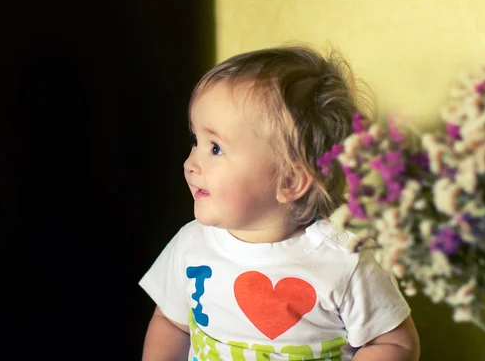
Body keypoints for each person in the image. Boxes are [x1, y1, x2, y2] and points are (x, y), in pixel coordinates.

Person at [138, 45, 421, 361]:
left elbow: (394, 344)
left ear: (289, 182)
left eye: (215, 148)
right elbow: (172, 323)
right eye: (196, 140)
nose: (191, 162)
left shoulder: (346, 261)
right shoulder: (191, 243)